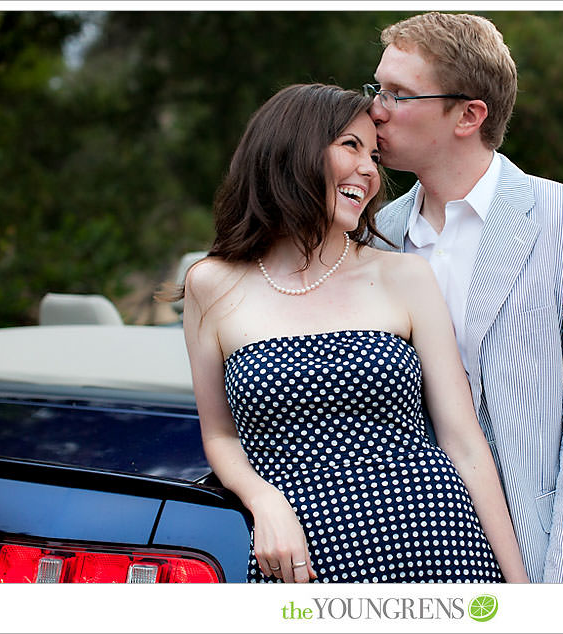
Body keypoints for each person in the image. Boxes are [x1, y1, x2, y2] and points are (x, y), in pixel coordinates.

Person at [178, 83, 529, 584]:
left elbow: (463, 441)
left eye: (375, 154)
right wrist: (264, 502)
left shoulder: (403, 275)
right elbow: (219, 434)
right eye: (350, 146)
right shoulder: (211, 284)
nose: (369, 169)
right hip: (300, 560)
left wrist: (519, 590)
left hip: (436, 544)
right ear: (292, 149)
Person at [367, 12, 563, 583]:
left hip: (545, 557)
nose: (375, 109)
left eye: (398, 94)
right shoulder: (376, 235)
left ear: (468, 115)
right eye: (377, 88)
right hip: (409, 557)